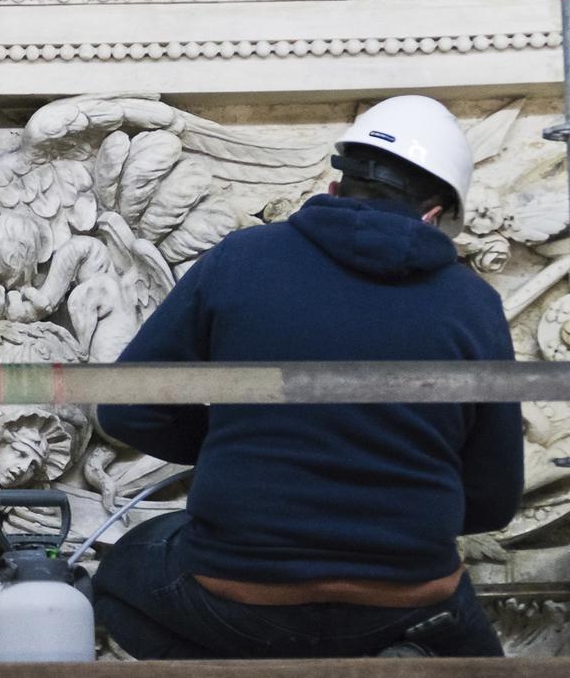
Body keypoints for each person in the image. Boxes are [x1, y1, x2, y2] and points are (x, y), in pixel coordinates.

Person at [92, 95, 523, 659]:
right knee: (472, 647)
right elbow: (493, 500)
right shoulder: (475, 304)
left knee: (123, 572)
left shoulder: (239, 259)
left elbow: (126, 408)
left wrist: (236, 436)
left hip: (238, 592)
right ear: (436, 213)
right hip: (406, 599)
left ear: (335, 186)